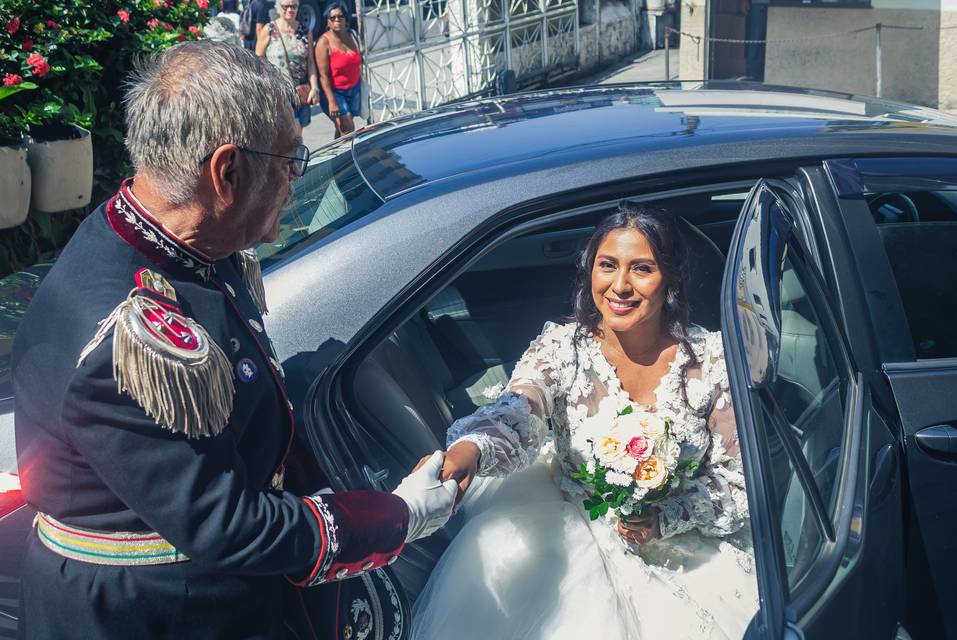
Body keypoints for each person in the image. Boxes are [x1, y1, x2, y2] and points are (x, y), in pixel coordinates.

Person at [12, 40, 458, 639]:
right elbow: (223, 522)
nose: (296, 179)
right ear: (227, 173)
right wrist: (394, 518)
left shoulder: (172, 240)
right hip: (153, 615)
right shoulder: (126, 328)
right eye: (289, 160)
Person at [411, 202, 758, 639]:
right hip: (575, 527)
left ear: (668, 276)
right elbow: (518, 408)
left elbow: (741, 480)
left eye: (642, 269)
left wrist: (664, 518)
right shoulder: (561, 349)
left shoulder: (712, 359)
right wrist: (470, 450)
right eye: (607, 265)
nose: (620, 286)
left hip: (689, 543)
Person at [256, 0, 320, 127]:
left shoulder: (305, 31)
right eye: (285, 6)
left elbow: (311, 62)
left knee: (298, 134)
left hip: (300, 93)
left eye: (294, 6)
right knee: (285, 135)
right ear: (278, 8)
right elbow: (258, 61)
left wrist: (314, 87)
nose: (290, 10)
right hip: (278, 94)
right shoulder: (269, 30)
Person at [315, 1, 363, 138]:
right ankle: (349, 158)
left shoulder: (353, 35)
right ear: (328, 22)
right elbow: (323, 76)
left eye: (340, 16)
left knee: (342, 128)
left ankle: (335, 155)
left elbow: (359, 64)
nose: (337, 20)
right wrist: (331, 101)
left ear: (346, 18)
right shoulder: (323, 42)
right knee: (348, 128)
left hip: (354, 90)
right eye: (333, 17)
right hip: (335, 93)